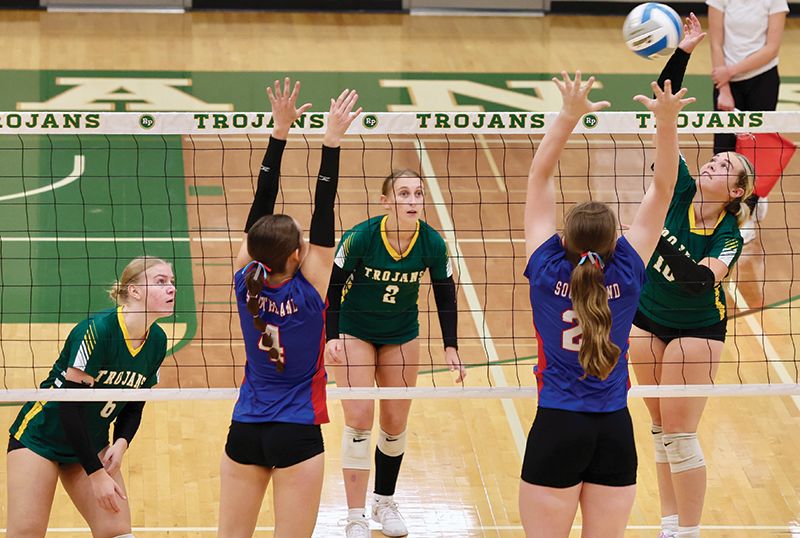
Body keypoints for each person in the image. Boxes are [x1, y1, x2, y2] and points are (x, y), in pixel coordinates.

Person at [519, 71, 693, 538]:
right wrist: (666, 123)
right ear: (615, 240)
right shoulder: (629, 269)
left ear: (565, 239)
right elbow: (664, 188)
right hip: (614, 432)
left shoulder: (546, 269)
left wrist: (568, 116)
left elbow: (539, 177)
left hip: (556, 427)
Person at [217, 78, 361, 538]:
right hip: (297, 430)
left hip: (246, 426)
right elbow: (325, 207)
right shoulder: (312, 291)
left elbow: (260, 207)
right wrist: (331, 141)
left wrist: (279, 132)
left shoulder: (245, 279)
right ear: (298, 255)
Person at [629, 23, 756, 538]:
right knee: (660, 430)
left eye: (725, 165)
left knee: (681, 436)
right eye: (715, 157)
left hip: (697, 328)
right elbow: (666, 117)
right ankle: (669, 524)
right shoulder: (678, 187)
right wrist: (682, 53)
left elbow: (700, 284)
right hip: (646, 318)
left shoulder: (729, 236)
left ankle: (690, 531)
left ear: (736, 192)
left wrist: (653, 238)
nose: (713, 162)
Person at [325, 168, 466, 534]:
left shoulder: (432, 243)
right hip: (355, 330)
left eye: (418, 193)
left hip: (401, 333)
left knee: (394, 423)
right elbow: (333, 288)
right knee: (359, 420)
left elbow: (445, 293)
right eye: (404, 194)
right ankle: (355, 516)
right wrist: (331, 336)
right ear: (386, 201)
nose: (412, 201)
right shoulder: (361, 238)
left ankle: (384, 502)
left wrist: (450, 345)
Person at [7, 256, 176, 537]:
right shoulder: (97, 331)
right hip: (40, 438)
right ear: (134, 290)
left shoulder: (157, 341)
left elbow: (134, 403)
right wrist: (95, 473)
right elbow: (69, 407)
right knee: (25, 533)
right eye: (161, 282)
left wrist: (121, 442)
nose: (171, 288)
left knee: (118, 532)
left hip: (90, 441)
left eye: (172, 281)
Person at [708, 0, 789, 242]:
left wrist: (729, 72)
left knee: (755, 152)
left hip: (762, 79)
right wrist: (724, 87)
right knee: (723, 151)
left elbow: (771, 49)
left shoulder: (774, 1)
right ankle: (723, 214)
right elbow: (716, 42)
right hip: (726, 83)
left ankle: (748, 215)